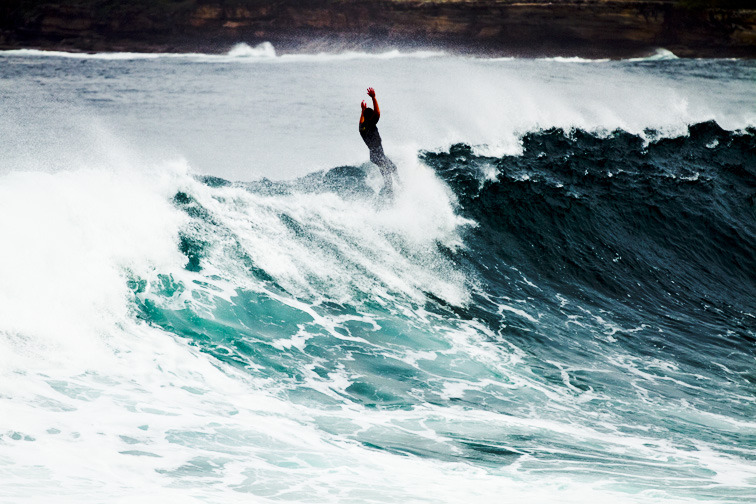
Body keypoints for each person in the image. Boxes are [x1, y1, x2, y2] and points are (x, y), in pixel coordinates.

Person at [359, 87, 397, 195]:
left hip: (374, 155)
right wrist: (374, 98)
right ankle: (395, 191)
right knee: (391, 171)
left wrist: (362, 111)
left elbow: (362, 121)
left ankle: (390, 192)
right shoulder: (371, 125)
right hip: (378, 154)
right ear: (370, 118)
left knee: (390, 171)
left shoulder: (362, 129)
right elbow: (377, 113)